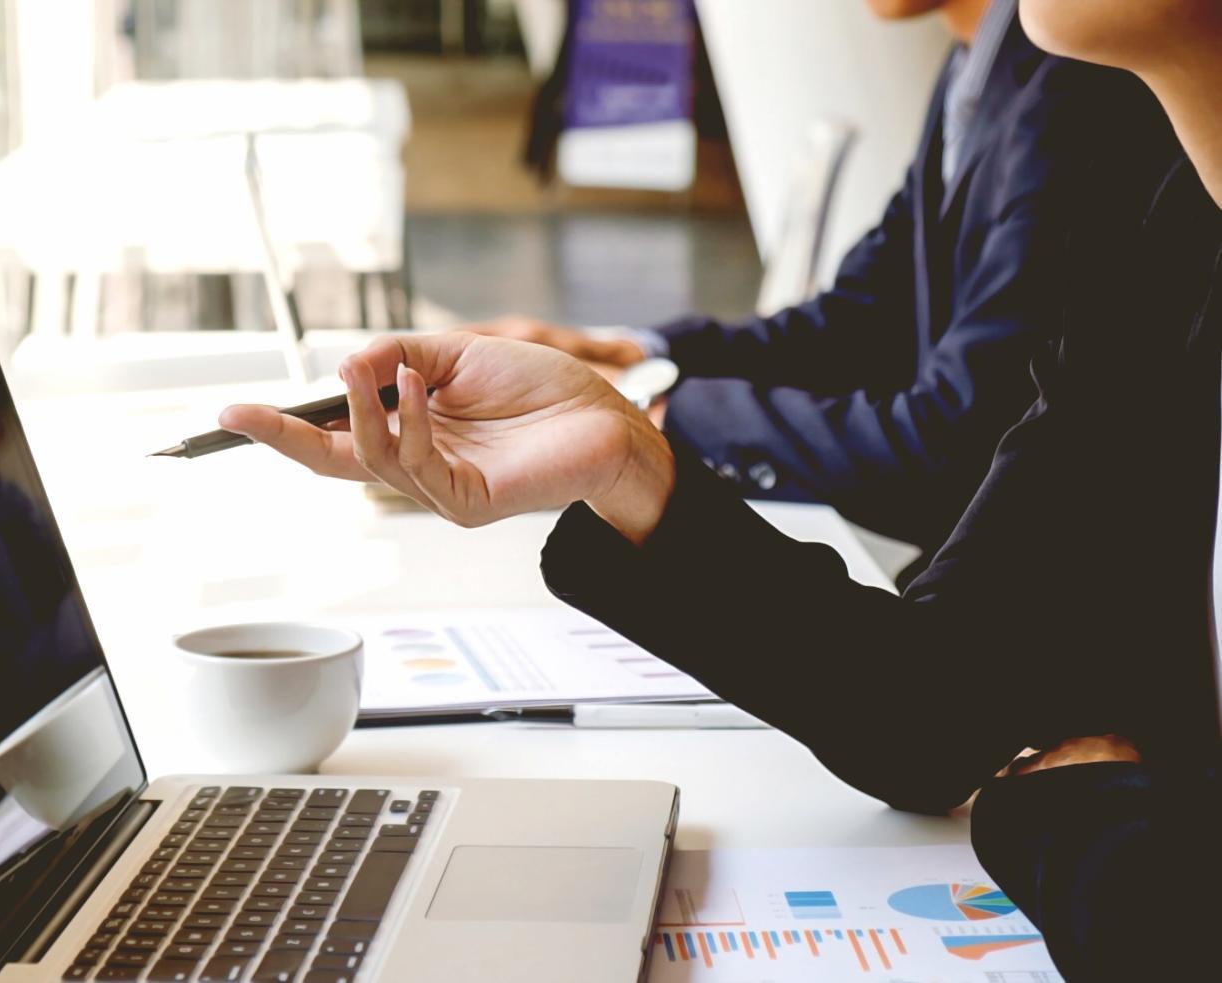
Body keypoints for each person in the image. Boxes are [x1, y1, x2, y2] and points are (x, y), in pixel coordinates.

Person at [217, 1, 1222, 976]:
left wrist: (1068, 814)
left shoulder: (1094, 129)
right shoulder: (1171, 226)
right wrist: (625, 456)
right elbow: (931, 714)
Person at [469, 0, 1175, 559]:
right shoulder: (974, 71)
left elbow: (954, 447)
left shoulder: (1071, 88)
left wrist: (651, 420)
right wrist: (635, 355)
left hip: (1031, 630)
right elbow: (857, 322)